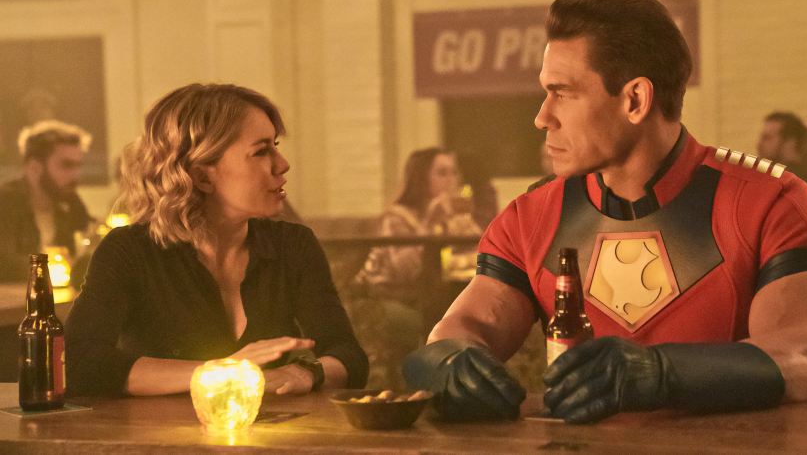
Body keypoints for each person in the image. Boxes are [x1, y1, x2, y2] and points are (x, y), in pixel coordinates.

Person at [404, 0, 807, 424]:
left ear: (635, 100)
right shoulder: (530, 217)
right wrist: (451, 362)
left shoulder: (772, 203)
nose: (542, 117)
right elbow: (459, 333)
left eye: (563, 92)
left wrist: (660, 374)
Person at [65, 83, 367, 396]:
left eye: (275, 146)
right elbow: (77, 362)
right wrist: (220, 372)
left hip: (268, 428)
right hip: (160, 429)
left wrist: (307, 372)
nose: (282, 164)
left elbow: (349, 356)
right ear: (202, 177)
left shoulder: (292, 244)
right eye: (261, 151)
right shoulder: (129, 250)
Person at [354, 148, 480, 388]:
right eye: (442, 173)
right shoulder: (397, 217)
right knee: (434, 319)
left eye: (454, 172)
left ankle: (458, 385)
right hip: (386, 294)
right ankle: (428, 385)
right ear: (421, 178)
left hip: (433, 293)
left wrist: (462, 221)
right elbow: (405, 271)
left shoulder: (449, 214)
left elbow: (479, 252)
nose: (451, 180)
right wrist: (432, 221)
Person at [0, 120, 93, 282]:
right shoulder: (5, 203)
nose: (75, 175)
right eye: (66, 165)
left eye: (78, 166)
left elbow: (89, 254)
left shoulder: (72, 202)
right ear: (34, 168)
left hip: (60, 297)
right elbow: (5, 265)